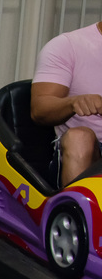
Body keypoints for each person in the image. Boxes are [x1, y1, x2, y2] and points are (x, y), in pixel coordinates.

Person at [30, 21, 102, 187]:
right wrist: (73, 102)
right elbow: (40, 109)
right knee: (79, 137)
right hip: (91, 153)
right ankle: (75, 201)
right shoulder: (67, 46)